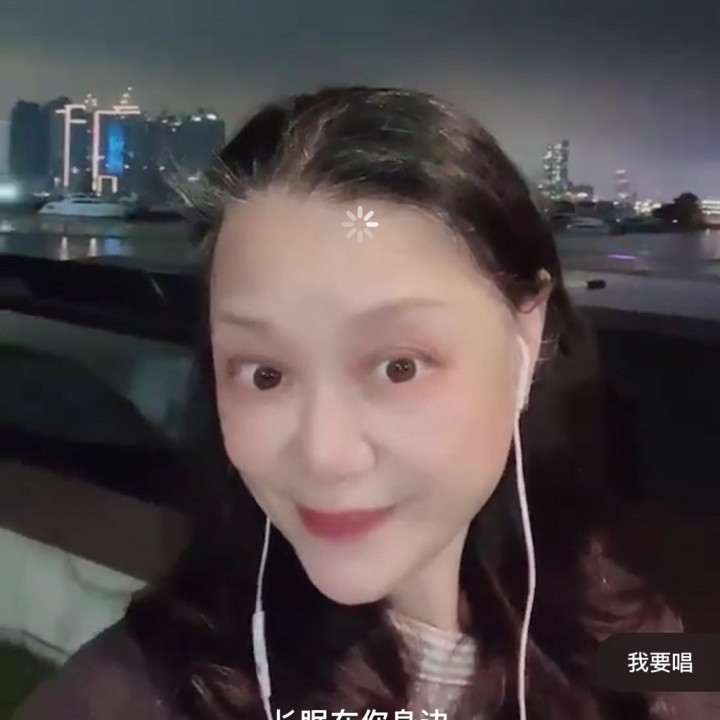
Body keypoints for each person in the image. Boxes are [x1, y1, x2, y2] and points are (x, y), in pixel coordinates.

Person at [13, 86, 719, 720]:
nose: (325, 454)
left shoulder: (620, 626)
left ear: (525, 337)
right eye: (265, 374)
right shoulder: (140, 693)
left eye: (397, 366)